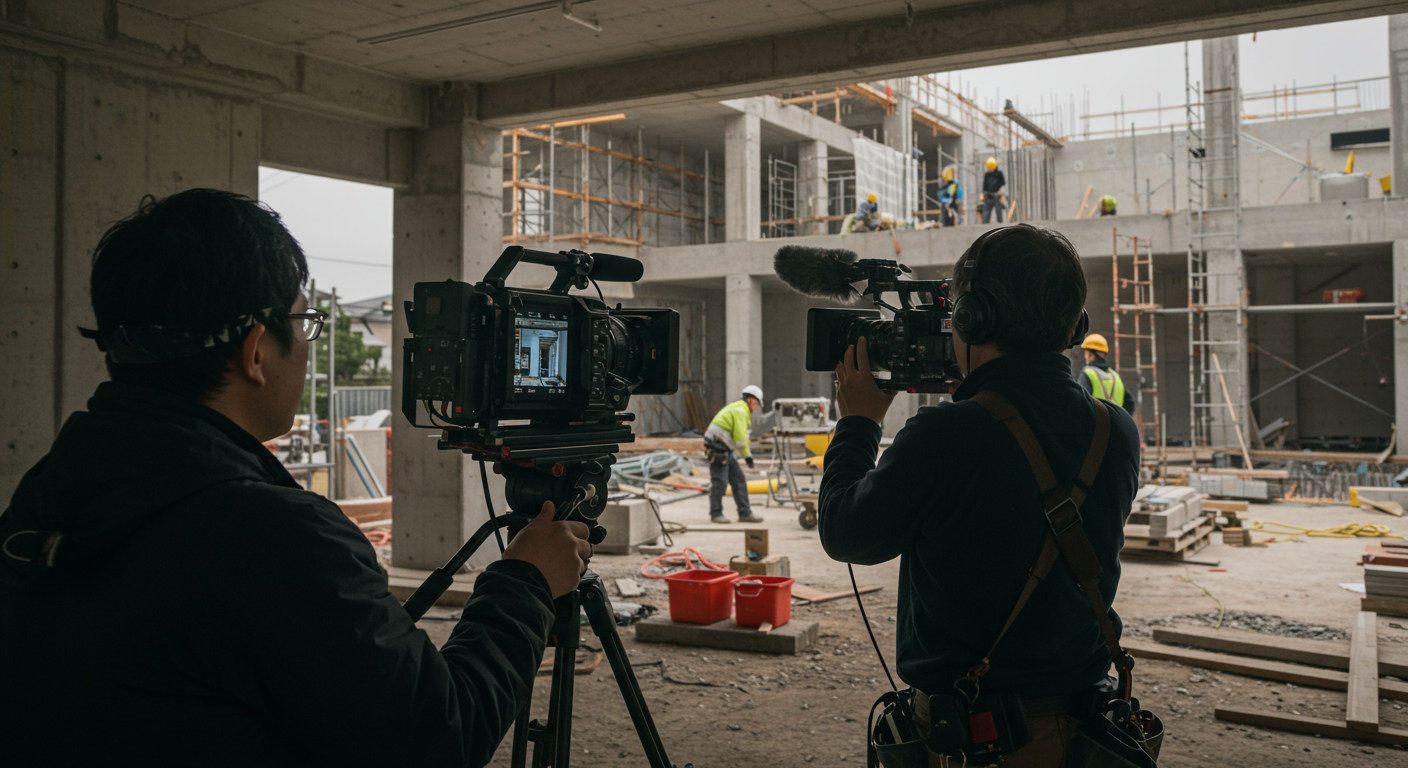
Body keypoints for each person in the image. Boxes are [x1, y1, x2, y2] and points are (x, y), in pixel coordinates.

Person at [0, 189, 592, 766]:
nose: (307, 348)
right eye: (304, 322)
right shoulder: (272, 536)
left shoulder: (52, 492)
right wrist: (526, 582)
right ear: (256, 351)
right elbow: (440, 737)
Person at [818, 224, 1140, 765]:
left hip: (981, 740)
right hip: (1086, 733)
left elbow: (847, 533)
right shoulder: (1117, 429)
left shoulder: (946, 435)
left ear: (970, 317)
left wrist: (858, 423)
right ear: (1075, 325)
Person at [704, 385, 767, 524]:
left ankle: (744, 513)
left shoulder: (738, 408)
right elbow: (740, 439)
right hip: (718, 449)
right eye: (756, 404)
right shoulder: (740, 411)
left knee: (738, 480)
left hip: (724, 448)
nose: (756, 408)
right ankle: (716, 513)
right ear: (751, 401)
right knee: (720, 482)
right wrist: (748, 456)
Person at [1078, 333, 1136, 414]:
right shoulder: (1116, 377)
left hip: (1096, 425)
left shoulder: (1087, 374)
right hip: (1115, 425)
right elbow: (1129, 403)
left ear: (1089, 354)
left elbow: (1081, 403)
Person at [980, 157, 1007, 224]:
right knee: (986, 212)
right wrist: (983, 194)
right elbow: (985, 186)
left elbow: (1003, 184)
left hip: (997, 196)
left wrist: (1001, 192)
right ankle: (984, 225)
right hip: (988, 196)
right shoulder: (987, 175)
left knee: (999, 212)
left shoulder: (999, 174)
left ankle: (1000, 225)